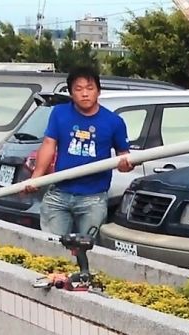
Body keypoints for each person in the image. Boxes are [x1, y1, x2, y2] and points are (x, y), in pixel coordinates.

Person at [24, 65, 134, 236]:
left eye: (90, 88)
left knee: (86, 249)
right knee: (51, 247)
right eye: (79, 89)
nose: (85, 94)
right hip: (59, 193)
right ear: (71, 93)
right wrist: (37, 177)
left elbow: (123, 157)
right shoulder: (59, 113)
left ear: (98, 91)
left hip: (93, 198)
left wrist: (126, 165)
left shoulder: (114, 122)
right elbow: (48, 144)